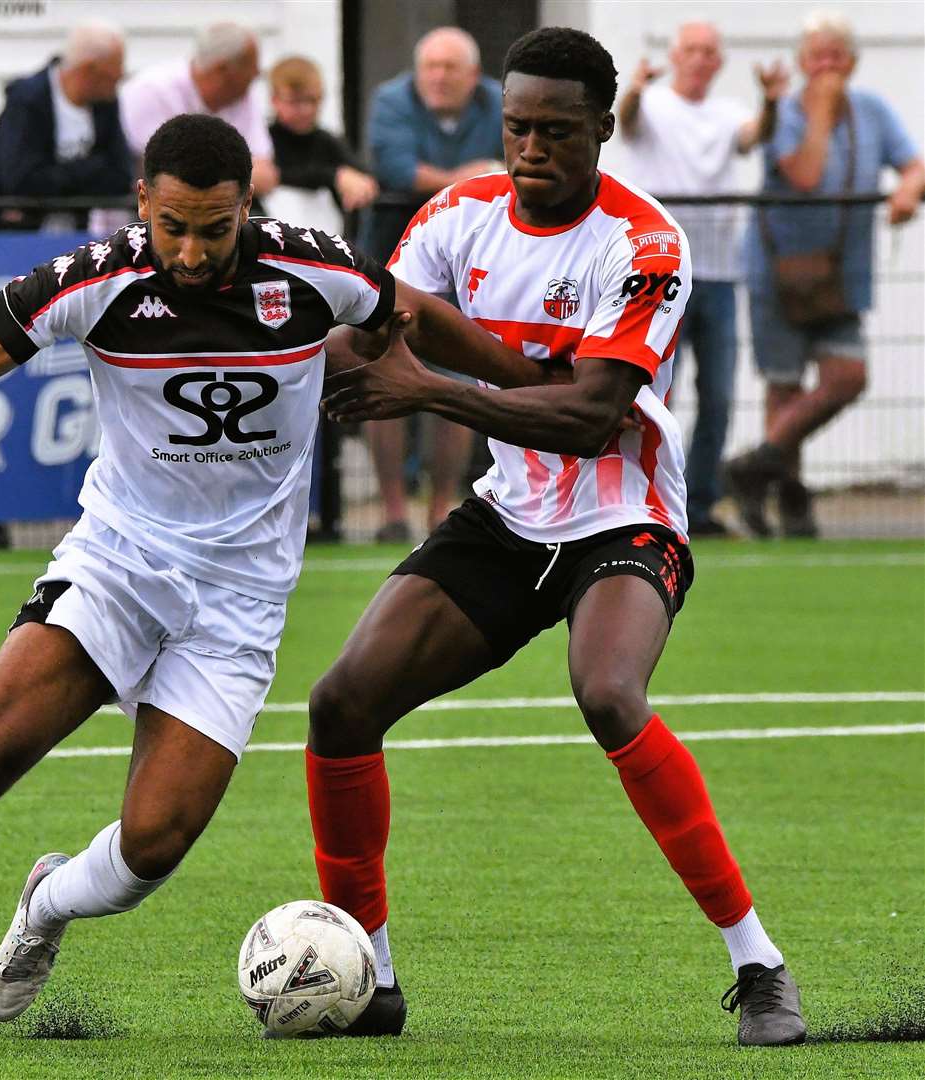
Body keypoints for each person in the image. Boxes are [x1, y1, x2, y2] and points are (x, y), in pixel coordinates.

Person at [0, 114, 563, 1042]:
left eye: (215, 227)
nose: (193, 250)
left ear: (249, 206)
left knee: (151, 848)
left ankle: (46, 901)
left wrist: (527, 382)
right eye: (173, 226)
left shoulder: (315, 268)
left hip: (239, 603)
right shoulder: (95, 280)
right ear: (142, 205)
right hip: (118, 562)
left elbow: (411, 316)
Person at [306, 27, 807, 1046]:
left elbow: (586, 417)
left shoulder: (646, 245)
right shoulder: (457, 216)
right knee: (341, 703)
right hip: (508, 516)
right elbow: (383, 333)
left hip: (623, 519)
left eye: (557, 132)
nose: (531, 149)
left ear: (604, 130)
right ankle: (368, 979)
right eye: (516, 128)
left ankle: (758, 966)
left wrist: (431, 385)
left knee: (608, 692)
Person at [725, 10, 924, 538]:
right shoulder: (785, 114)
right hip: (778, 271)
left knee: (847, 376)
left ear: (854, 63)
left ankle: (755, 466)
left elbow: (913, 163)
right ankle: (789, 497)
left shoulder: (874, 111)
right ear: (801, 63)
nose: (827, 68)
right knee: (784, 385)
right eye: (818, 58)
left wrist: (908, 190)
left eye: (837, 57)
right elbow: (807, 174)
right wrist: (818, 109)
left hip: (842, 273)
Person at [618, 23, 788, 536]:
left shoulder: (729, 113)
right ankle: (641, 496)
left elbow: (755, 134)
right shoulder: (651, 105)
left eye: (708, 52)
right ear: (676, 56)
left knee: (717, 396)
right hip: (660, 274)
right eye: (691, 50)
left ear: (718, 62)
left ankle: (699, 504)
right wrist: (636, 88)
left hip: (716, 273)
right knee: (651, 393)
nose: (698, 59)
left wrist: (772, 101)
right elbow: (626, 121)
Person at [361, 27, 505, 542]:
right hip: (393, 256)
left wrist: (450, 177)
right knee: (384, 377)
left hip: (473, 262)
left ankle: (442, 507)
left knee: (459, 381)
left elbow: (516, 167)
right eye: (432, 67)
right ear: (417, 71)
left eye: (451, 68)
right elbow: (397, 170)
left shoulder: (499, 98)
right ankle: (394, 511)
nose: (440, 77)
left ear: (474, 74)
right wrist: (477, 176)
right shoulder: (390, 101)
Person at [0, 21, 130, 221]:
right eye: (114, 73)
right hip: (13, 231)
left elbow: (120, 175)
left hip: (75, 233)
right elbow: (21, 181)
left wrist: (54, 177)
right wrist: (91, 168)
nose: (120, 76)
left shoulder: (105, 102)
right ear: (88, 70)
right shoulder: (27, 100)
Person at [120, 24, 278, 198]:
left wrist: (205, 171)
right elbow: (161, 171)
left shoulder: (241, 96)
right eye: (251, 66)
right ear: (222, 69)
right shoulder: (150, 91)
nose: (257, 73)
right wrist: (234, 171)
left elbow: (265, 176)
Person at [265, 55, 378, 233]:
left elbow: (362, 175)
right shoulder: (264, 140)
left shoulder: (327, 141)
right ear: (275, 100)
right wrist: (333, 177)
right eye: (294, 102)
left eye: (312, 100)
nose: (305, 110)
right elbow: (277, 175)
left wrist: (361, 185)